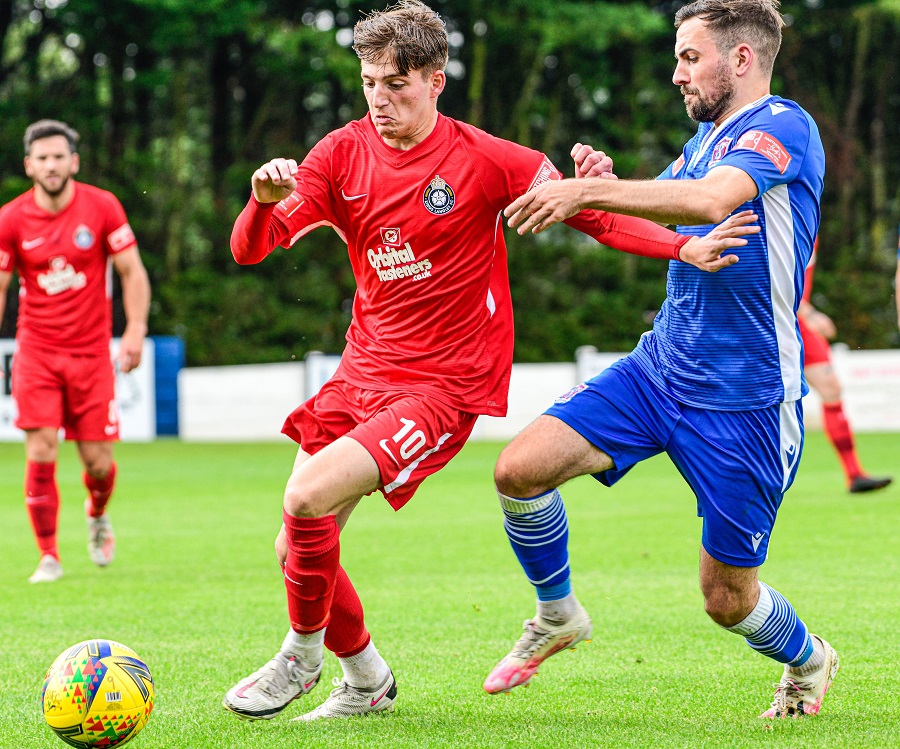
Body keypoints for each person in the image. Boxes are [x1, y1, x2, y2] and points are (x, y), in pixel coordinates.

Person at [221, 0, 757, 723]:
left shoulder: (486, 158)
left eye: (397, 84)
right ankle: (366, 677)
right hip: (359, 375)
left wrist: (679, 245)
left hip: (442, 386)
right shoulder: (339, 153)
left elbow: (591, 214)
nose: (381, 99)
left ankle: (302, 655)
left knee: (305, 496)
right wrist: (260, 202)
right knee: (296, 545)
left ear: (437, 80)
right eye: (370, 83)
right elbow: (250, 249)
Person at [484, 0, 838, 721]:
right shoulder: (703, 143)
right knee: (518, 469)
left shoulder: (783, 126)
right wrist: (603, 182)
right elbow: (651, 209)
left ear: (741, 59)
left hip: (746, 405)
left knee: (726, 599)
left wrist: (590, 188)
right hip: (659, 372)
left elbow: (710, 202)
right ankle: (558, 613)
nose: (677, 74)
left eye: (689, 57)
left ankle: (808, 657)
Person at [0, 120, 151, 584]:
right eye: (41, 158)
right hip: (37, 352)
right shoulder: (10, 219)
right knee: (41, 449)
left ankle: (97, 512)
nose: (50, 165)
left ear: (73, 161)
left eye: (58, 156)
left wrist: (136, 329)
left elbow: (131, 271)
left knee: (98, 464)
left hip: (90, 355)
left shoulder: (101, 207)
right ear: (29, 165)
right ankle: (48, 556)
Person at [798, 239, 891, 493]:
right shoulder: (783, 212)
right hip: (774, 320)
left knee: (830, 388)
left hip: (797, 318)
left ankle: (854, 474)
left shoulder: (810, 221)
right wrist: (809, 313)